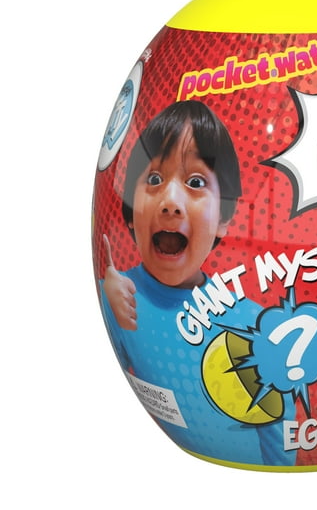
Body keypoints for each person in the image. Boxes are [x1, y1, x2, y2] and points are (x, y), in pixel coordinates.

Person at [98, 100, 296, 467]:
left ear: (223, 218)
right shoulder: (119, 297)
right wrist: (109, 299)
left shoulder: (255, 325)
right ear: (129, 211)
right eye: (153, 179)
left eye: (195, 182)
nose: (170, 202)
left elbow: (280, 438)